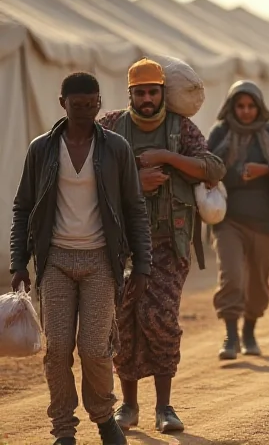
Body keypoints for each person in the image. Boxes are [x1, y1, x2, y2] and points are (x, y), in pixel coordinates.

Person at [10, 73, 152, 445]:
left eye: (93, 104)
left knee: (94, 348)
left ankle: (105, 416)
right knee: (57, 349)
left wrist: (142, 264)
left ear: (99, 102)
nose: (87, 112)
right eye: (78, 105)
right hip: (54, 260)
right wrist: (18, 263)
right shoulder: (41, 149)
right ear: (63, 104)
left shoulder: (116, 149)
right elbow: (23, 208)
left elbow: (135, 209)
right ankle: (63, 430)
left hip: (100, 262)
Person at [98, 58, 226, 434]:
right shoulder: (111, 126)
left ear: (162, 93)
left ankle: (165, 407)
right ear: (130, 94)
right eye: (141, 92)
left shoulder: (179, 128)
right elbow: (88, 172)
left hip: (170, 241)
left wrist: (169, 158)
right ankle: (129, 405)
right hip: (121, 244)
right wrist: (135, 180)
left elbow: (213, 167)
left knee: (161, 320)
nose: (148, 99)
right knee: (123, 321)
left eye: (154, 91)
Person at [207, 81, 269, 359]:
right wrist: (236, 175)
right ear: (231, 107)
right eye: (240, 106)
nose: (245, 111)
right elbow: (207, 166)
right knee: (231, 277)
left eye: (250, 106)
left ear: (259, 107)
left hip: (264, 221)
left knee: (258, 285)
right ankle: (231, 336)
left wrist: (263, 169)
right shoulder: (221, 133)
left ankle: (249, 332)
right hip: (228, 219)